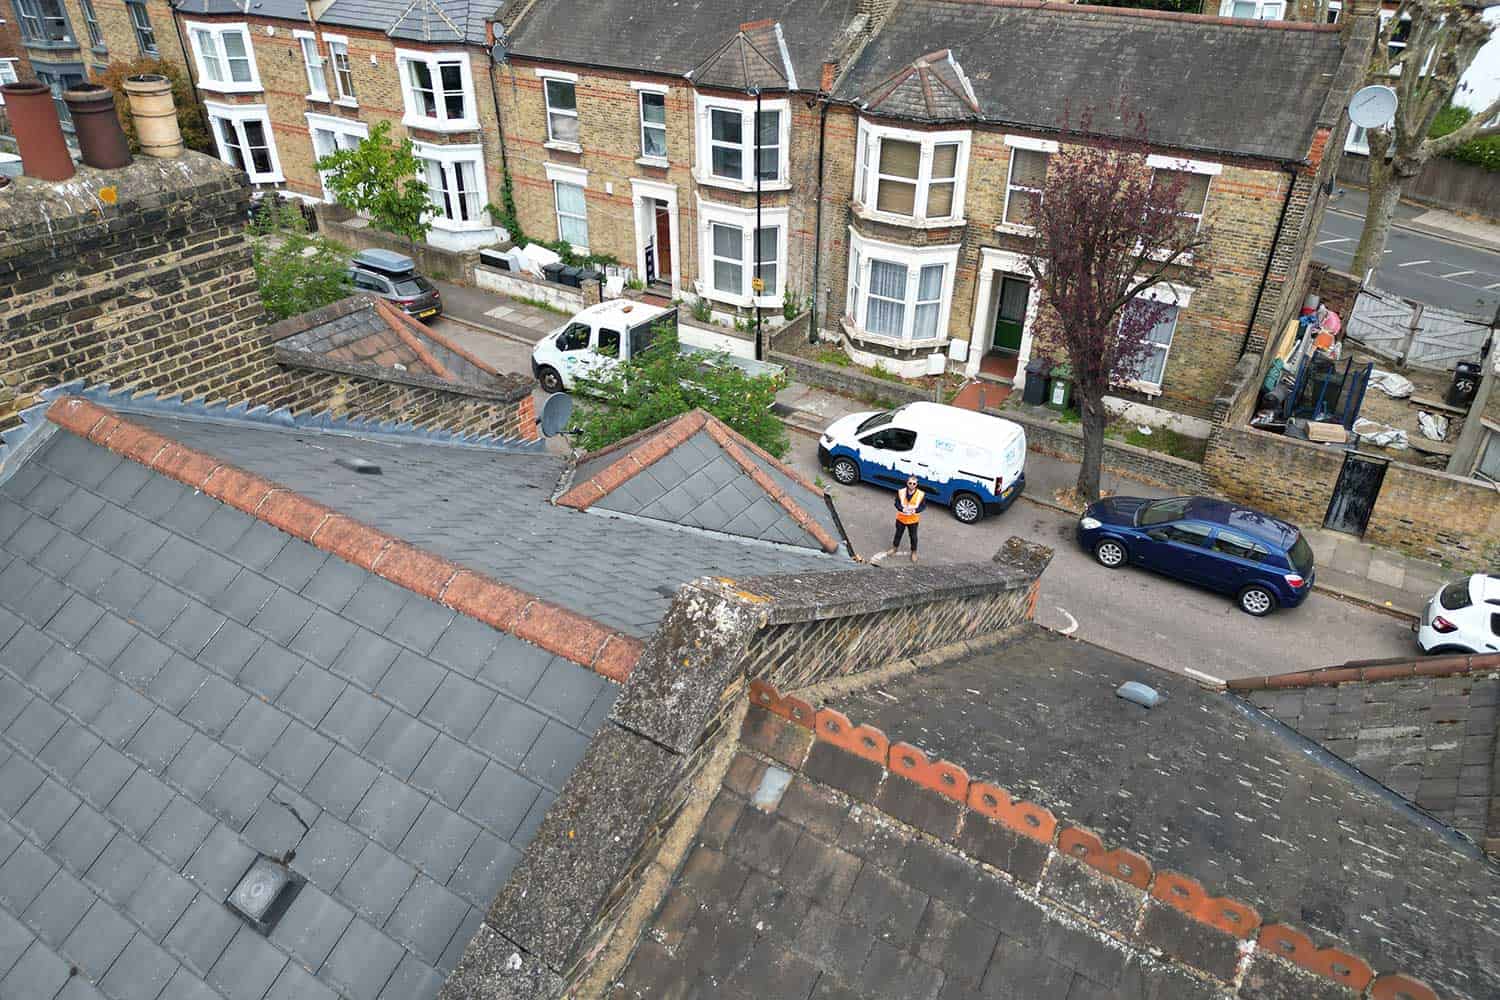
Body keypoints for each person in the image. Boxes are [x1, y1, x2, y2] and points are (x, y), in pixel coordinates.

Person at [877, 476, 926, 564]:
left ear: (916, 485)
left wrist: (915, 510)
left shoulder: (921, 494)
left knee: (913, 537)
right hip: (901, 518)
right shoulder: (901, 492)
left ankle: (914, 552)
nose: (912, 485)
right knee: (898, 534)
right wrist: (902, 509)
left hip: (913, 519)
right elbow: (896, 503)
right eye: (910, 483)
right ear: (907, 483)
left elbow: (923, 506)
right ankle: (894, 548)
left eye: (914, 483)